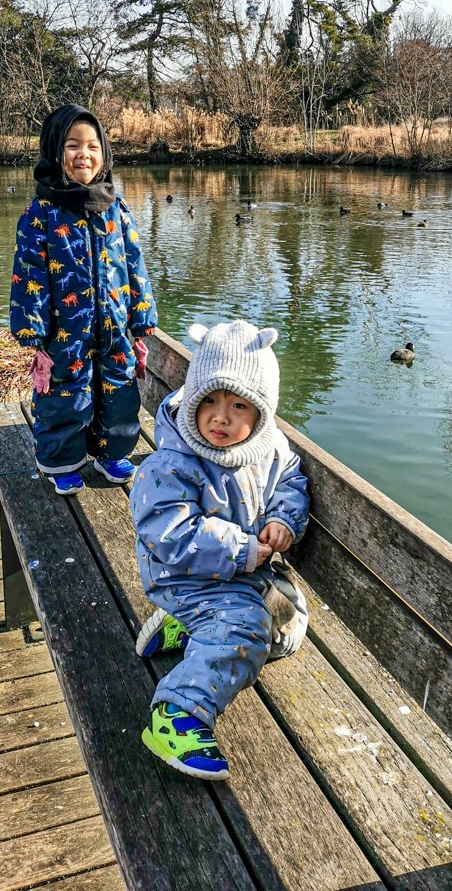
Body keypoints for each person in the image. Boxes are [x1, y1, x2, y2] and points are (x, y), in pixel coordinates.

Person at [130, 319, 309, 780]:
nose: (220, 417)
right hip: (185, 577)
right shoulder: (171, 464)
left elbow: (290, 480)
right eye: (208, 400)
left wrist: (281, 521)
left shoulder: (269, 449)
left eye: (238, 405)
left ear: (262, 411)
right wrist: (242, 549)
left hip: (242, 571)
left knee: (288, 617)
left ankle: (191, 633)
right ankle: (178, 713)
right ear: (191, 400)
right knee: (245, 630)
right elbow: (168, 532)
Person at [10, 104, 157, 494]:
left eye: (93, 146)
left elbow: (135, 263)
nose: (84, 155)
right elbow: (29, 275)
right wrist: (32, 332)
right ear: (55, 151)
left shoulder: (117, 209)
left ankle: (112, 453)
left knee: (120, 392)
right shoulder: (41, 212)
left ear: (104, 153)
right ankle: (63, 460)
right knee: (65, 396)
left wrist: (141, 316)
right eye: (73, 145)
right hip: (65, 330)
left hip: (114, 326)